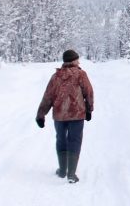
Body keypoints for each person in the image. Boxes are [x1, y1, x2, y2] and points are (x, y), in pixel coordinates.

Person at [36, 49, 94, 183]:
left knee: (61, 140)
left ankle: (62, 170)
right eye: (77, 59)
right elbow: (89, 93)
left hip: (59, 115)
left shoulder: (55, 76)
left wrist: (40, 115)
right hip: (77, 115)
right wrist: (89, 110)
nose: (79, 61)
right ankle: (71, 174)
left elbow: (48, 97)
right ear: (73, 61)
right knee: (75, 141)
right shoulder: (81, 74)